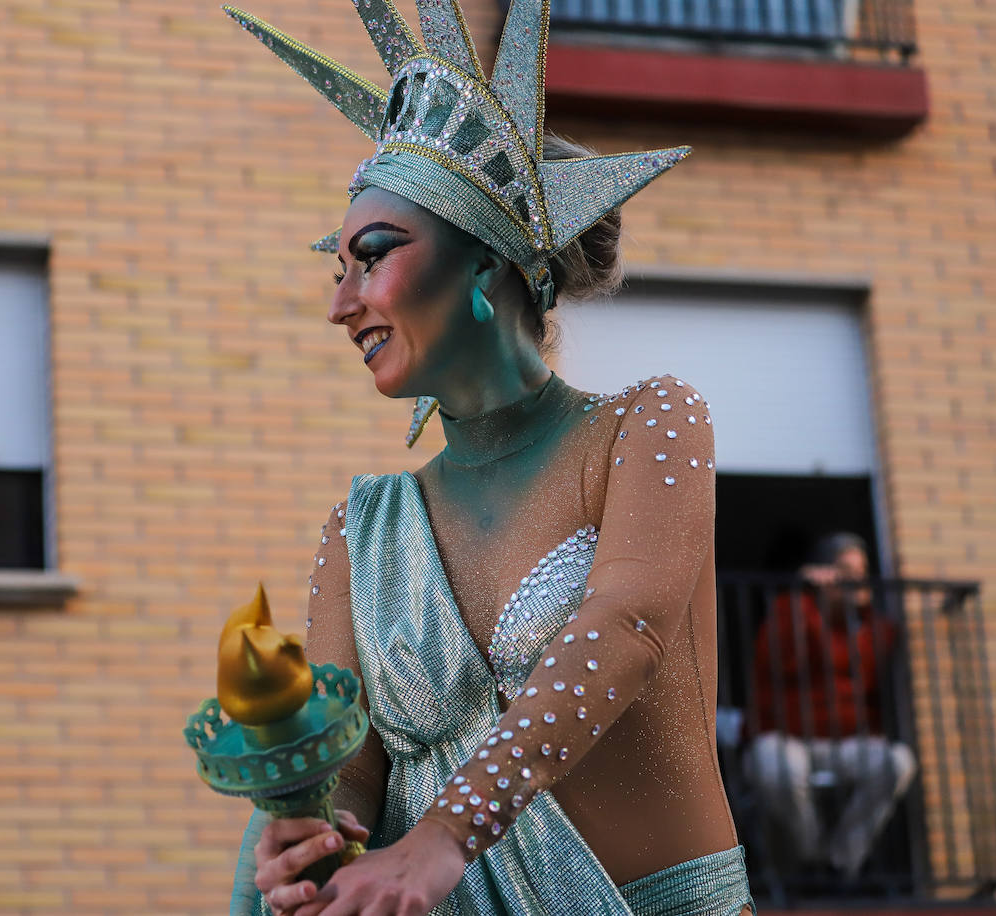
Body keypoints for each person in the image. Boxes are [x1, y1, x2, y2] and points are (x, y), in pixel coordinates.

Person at [221, 1, 754, 913]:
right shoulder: (364, 527)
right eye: (336, 271)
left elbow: (626, 624)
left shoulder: (647, 425)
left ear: (484, 265)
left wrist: (447, 837)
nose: (342, 305)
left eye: (373, 257)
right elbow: (356, 765)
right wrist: (314, 828)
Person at [742, 533, 917, 880]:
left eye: (861, 571)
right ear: (823, 574)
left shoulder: (871, 627)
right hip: (786, 737)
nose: (855, 579)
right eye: (844, 570)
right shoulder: (789, 611)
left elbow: (879, 652)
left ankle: (839, 864)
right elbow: (780, 660)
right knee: (777, 768)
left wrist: (861, 608)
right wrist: (805, 597)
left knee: (897, 763)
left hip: (846, 741)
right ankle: (811, 860)